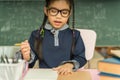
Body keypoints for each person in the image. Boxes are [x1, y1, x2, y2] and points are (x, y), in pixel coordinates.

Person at [17, 0, 87, 75]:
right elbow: (30, 64)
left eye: (64, 12)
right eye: (53, 11)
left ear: (69, 13)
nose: (58, 16)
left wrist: (70, 65)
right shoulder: (36, 34)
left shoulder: (75, 35)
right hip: (44, 76)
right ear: (46, 11)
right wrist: (27, 57)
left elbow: (81, 58)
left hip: (67, 75)